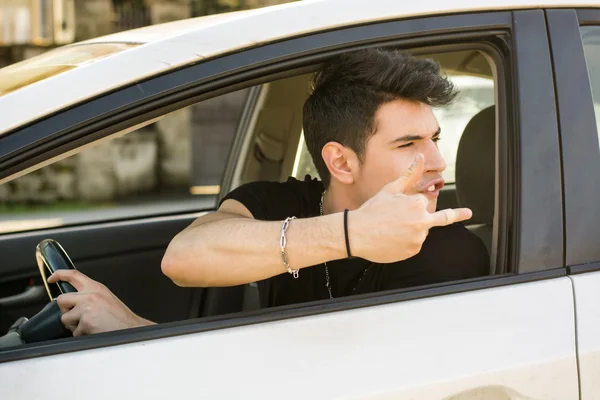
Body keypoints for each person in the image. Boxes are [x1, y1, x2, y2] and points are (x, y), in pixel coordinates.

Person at [48, 48, 489, 336]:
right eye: (409, 144)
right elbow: (181, 258)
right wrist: (351, 234)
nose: (437, 162)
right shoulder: (286, 202)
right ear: (340, 162)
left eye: (435, 139)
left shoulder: (450, 251)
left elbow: (325, 379)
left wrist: (132, 332)